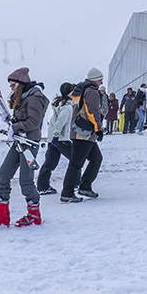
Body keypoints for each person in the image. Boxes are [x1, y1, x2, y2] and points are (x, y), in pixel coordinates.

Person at [0, 67, 49, 227]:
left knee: (26, 181)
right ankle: (2, 214)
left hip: (29, 143)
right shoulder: (24, 96)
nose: (11, 89)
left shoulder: (35, 98)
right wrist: (11, 121)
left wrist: (14, 127)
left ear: (21, 84)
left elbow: (33, 123)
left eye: (13, 85)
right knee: (3, 175)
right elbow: (22, 119)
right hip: (20, 141)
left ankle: (34, 215)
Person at [61, 68, 106, 202]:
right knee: (76, 164)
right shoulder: (92, 91)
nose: (102, 81)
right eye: (100, 79)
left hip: (79, 130)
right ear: (95, 79)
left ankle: (85, 186)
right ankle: (67, 193)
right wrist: (98, 129)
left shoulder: (80, 90)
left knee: (96, 158)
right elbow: (92, 112)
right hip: (84, 133)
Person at [37, 82, 75, 195]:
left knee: (49, 163)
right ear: (70, 93)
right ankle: (76, 184)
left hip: (53, 138)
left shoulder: (59, 104)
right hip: (60, 139)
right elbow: (60, 123)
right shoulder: (67, 107)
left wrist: (53, 138)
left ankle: (42, 187)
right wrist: (57, 136)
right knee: (76, 160)